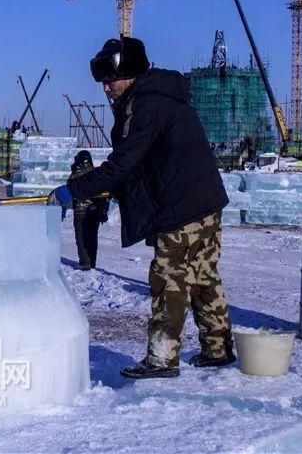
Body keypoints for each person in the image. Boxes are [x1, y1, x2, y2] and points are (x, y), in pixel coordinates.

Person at [51, 36, 233, 379]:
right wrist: (111, 190)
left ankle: (162, 359)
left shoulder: (146, 104)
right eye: (104, 83)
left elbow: (123, 163)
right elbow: (145, 164)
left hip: (181, 209)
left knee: (170, 281)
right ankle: (217, 349)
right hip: (206, 202)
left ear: (130, 75)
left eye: (111, 81)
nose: (107, 89)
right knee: (204, 276)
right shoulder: (164, 97)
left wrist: (73, 190)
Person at [68, 150, 109, 270]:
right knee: (92, 237)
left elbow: (71, 190)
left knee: (81, 238)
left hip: (81, 211)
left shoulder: (75, 174)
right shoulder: (95, 173)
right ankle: (92, 261)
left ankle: (84, 262)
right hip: (95, 211)